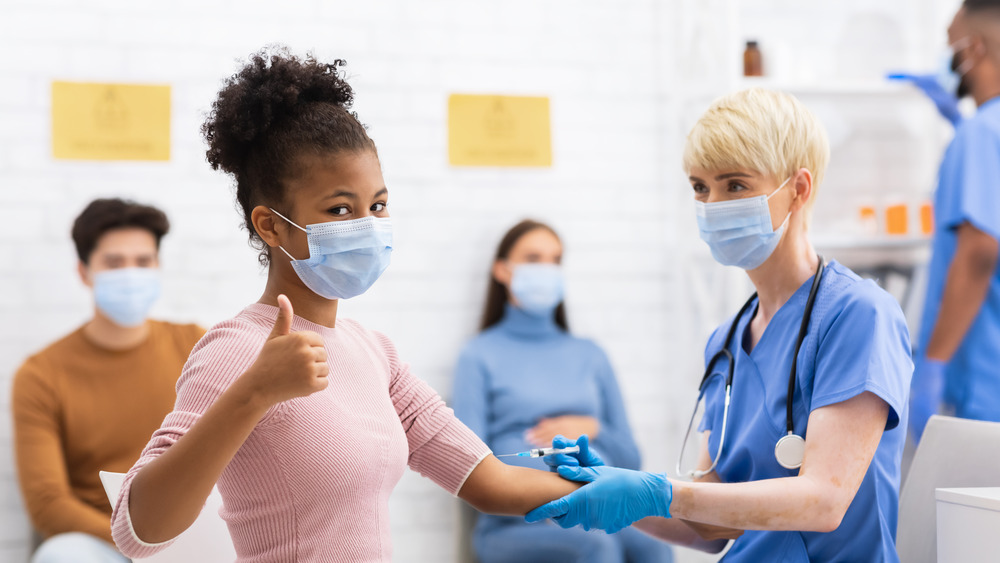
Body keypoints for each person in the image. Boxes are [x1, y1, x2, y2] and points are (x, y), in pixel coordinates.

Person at [108, 47, 580, 562]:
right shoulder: (239, 349)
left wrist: (639, 493)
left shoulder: (374, 354)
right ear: (269, 225)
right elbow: (138, 530)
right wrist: (254, 393)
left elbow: (491, 483)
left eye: (377, 205)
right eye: (340, 209)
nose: (368, 227)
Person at [524, 88, 913, 561]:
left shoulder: (857, 315)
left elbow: (823, 501)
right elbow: (709, 528)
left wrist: (659, 492)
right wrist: (611, 488)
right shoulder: (727, 342)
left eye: (735, 185)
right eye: (699, 187)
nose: (711, 204)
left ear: (799, 188)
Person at [452, 219, 674, 563]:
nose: (547, 270)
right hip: (512, 524)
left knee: (654, 546)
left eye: (556, 260)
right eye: (533, 258)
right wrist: (571, 496)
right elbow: (467, 470)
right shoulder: (478, 355)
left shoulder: (590, 354)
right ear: (502, 270)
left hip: (600, 511)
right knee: (595, 546)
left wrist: (594, 429)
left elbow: (631, 462)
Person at [12, 198, 205, 563]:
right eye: (114, 263)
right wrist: (141, 545)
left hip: (195, 533)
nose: (131, 273)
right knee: (60, 556)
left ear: (158, 267)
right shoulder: (40, 375)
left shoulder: (197, 344)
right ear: (84, 272)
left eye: (143, 262)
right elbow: (48, 504)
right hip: (104, 544)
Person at [909, 0, 1000, 444]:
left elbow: (980, 251)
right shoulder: (982, 131)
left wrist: (934, 363)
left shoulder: (982, 134)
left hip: (984, 387)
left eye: (951, 49)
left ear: (975, 50)